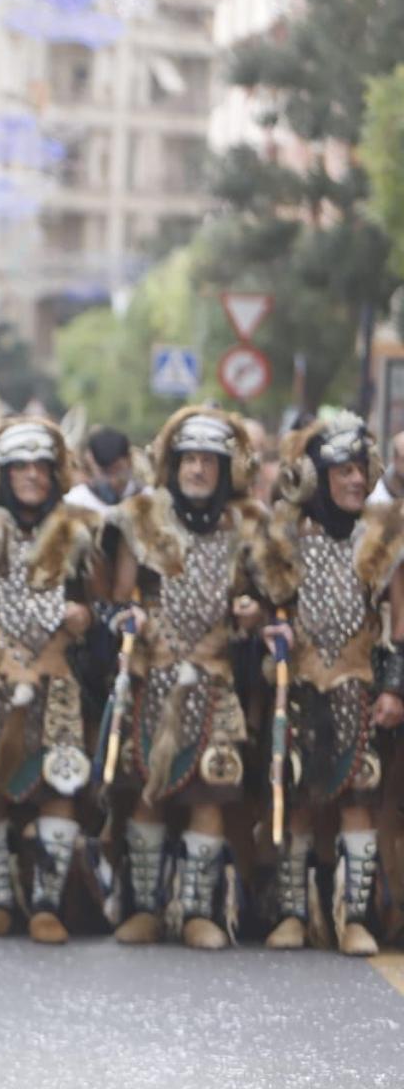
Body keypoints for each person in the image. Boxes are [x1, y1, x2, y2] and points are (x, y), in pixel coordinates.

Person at [103, 405, 268, 950]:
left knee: (213, 790)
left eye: (208, 460)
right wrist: (128, 616)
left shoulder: (245, 525)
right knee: (149, 789)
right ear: (172, 465)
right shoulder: (140, 518)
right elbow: (120, 594)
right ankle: (144, 908)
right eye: (188, 459)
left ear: (226, 469)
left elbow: (265, 600)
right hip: (155, 674)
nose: (198, 469)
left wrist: (251, 614)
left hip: (217, 677)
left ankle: (200, 912)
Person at [0, 419, 103, 943]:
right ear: (2, 474)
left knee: (61, 783)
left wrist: (85, 615)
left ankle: (46, 905)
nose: (32, 477)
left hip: (57, 681)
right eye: (21, 468)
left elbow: (99, 603)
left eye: (41, 467)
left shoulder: (78, 528)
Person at [254, 415, 399, 956]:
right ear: (318, 476)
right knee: (294, 799)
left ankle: (354, 919)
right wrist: (265, 625)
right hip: (299, 688)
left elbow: (399, 624)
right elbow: (264, 606)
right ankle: (293, 914)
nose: (356, 480)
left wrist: (393, 688)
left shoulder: (383, 536)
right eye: (343, 470)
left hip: (358, 686)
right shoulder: (285, 537)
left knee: (358, 798)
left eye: (362, 469)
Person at [65, 426, 137, 511]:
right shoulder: (76, 502)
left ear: (129, 460)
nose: (112, 480)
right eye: (105, 472)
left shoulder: (147, 498)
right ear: (92, 462)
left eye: (117, 469)